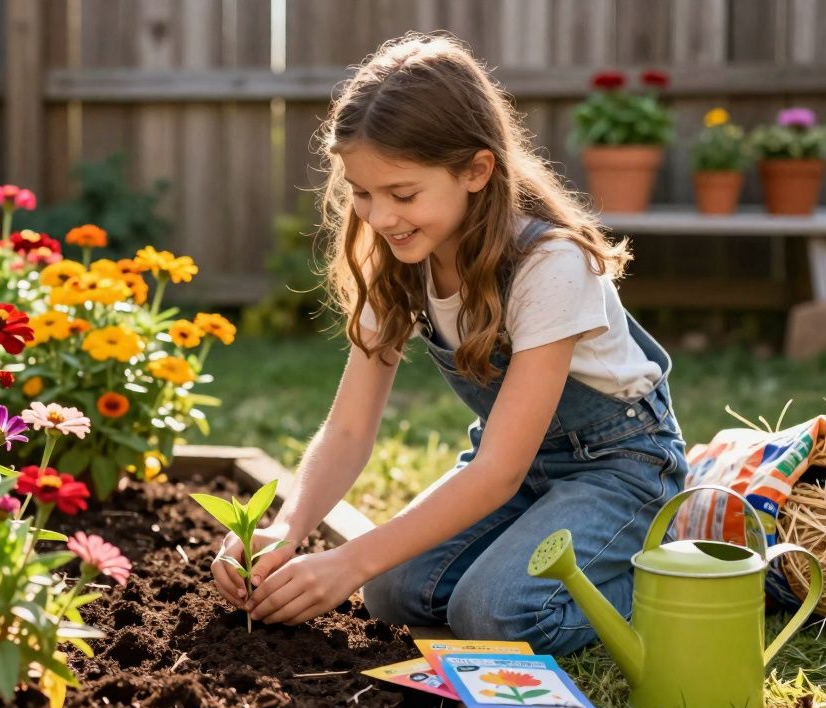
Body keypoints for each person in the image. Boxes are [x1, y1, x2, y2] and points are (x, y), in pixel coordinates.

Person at [208, 33, 687, 655]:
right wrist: (287, 528)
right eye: (362, 193)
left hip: (618, 470)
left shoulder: (549, 264)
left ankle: (671, 582)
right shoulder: (402, 256)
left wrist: (347, 562)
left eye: (402, 194)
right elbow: (350, 430)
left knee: (495, 613)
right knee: (390, 590)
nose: (380, 217)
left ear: (476, 170)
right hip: (518, 470)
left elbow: (498, 471)